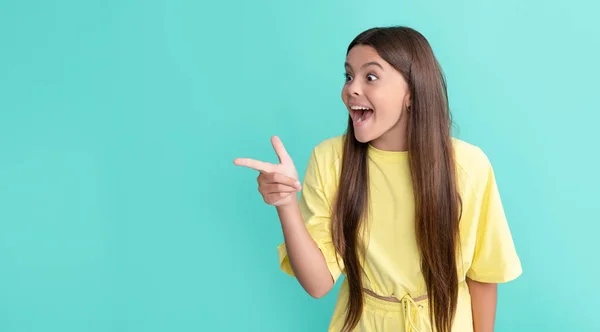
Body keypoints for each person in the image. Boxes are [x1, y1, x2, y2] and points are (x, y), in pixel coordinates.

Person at [234, 26, 522, 332]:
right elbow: (318, 284)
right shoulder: (331, 160)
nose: (351, 89)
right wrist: (285, 203)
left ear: (411, 91)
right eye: (348, 76)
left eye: (370, 77)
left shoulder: (467, 165)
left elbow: (483, 275)